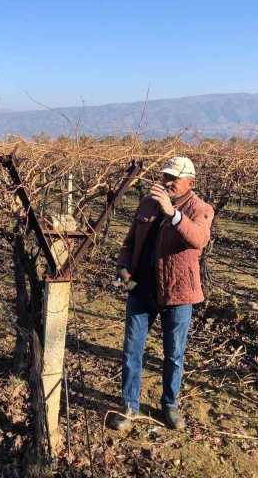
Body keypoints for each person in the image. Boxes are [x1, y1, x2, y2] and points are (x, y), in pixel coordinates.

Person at [112, 156, 214, 430]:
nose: (167, 182)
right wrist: (122, 265)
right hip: (141, 291)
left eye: (173, 179)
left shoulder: (201, 209)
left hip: (178, 295)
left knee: (173, 354)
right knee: (132, 351)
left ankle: (170, 405)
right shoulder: (147, 203)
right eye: (164, 176)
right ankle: (129, 405)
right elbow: (130, 240)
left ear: (190, 183)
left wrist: (173, 214)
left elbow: (199, 239)